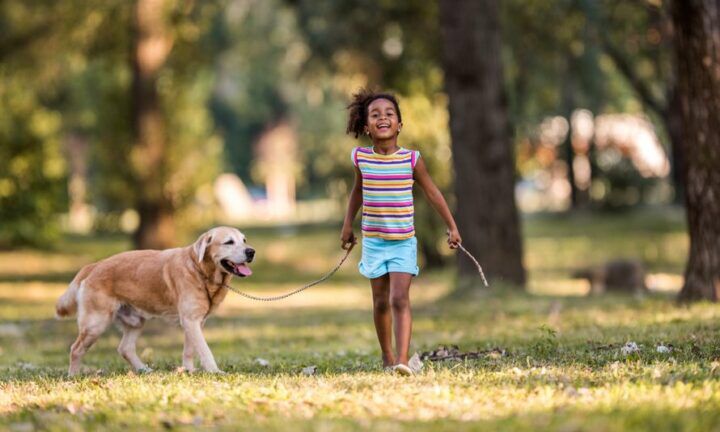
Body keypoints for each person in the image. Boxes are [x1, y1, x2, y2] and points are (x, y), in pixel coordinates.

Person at [340, 88, 462, 375]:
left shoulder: (411, 160)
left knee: (399, 298)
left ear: (399, 124)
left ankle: (402, 361)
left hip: (403, 242)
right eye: (375, 115)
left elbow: (432, 193)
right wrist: (347, 224)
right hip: (373, 241)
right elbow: (358, 192)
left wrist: (452, 226)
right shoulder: (361, 159)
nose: (383, 118)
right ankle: (387, 357)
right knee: (380, 302)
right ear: (366, 126)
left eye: (389, 114)